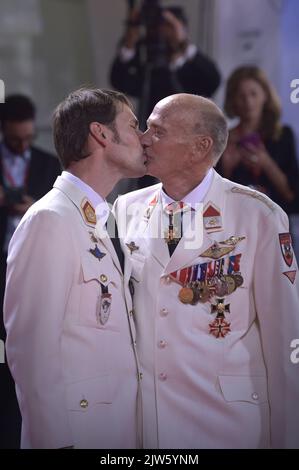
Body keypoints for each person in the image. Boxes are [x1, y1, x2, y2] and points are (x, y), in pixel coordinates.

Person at [115, 93, 299, 448]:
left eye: (158, 131)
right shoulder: (126, 209)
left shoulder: (258, 215)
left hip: (227, 423)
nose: (143, 139)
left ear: (200, 147)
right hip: (150, 424)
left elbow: (286, 339)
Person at [4, 87, 146, 449]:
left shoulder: (104, 216)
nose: (143, 137)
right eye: (133, 125)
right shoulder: (50, 219)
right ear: (101, 134)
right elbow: (30, 352)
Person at [0, 94, 61, 448]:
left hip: (29, 265)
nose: (22, 145)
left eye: (27, 138)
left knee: (24, 348)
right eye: (14, 140)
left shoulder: (48, 162)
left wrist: (31, 207)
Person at [110, 4, 221, 189]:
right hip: (151, 150)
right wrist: (131, 37)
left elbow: (212, 81)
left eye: (169, 27)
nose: (163, 34)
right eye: (158, 28)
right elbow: (120, 81)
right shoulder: (150, 70)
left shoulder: (191, 70)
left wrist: (183, 43)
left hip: (188, 147)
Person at [217, 65, 299, 217]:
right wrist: (226, 168)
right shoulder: (223, 139)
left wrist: (267, 163)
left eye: (253, 94)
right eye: (241, 96)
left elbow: (292, 195)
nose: (248, 102)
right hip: (236, 223)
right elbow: (214, 199)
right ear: (232, 100)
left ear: (265, 96)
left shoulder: (282, 135)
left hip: (277, 221)